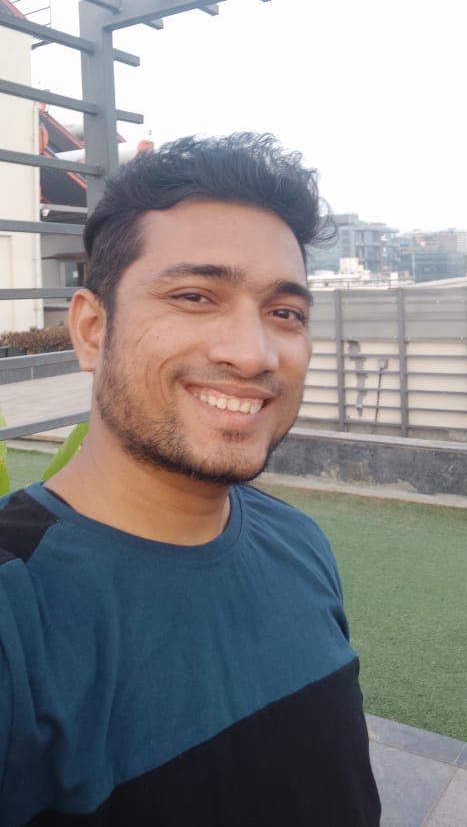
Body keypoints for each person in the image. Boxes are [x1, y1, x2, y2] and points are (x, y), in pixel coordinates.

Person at [0, 133, 381, 826]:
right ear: (91, 329)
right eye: (196, 295)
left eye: (284, 313)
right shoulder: (16, 613)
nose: (253, 354)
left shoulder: (298, 542)